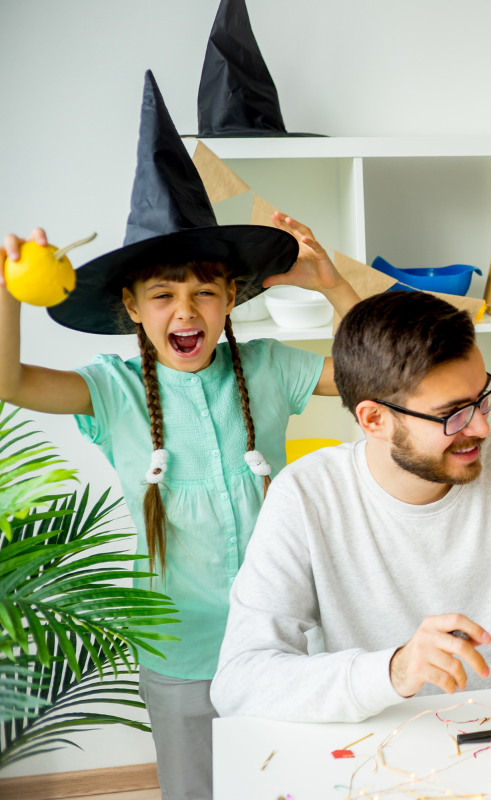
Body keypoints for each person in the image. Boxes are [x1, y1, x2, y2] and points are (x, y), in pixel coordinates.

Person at [0, 72, 360, 800]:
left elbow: (376, 373)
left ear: (233, 298)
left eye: (204, 291)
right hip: (178, 648)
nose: (185, 309)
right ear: (132, 306)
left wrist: (331, 285)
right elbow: (10, 381)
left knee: (292, 783)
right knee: (195, 789)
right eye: (163, 294)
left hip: (285, 635)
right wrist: (8, 293)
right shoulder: (113, 389)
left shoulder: (266, 368)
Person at [209, 290, 491, 723]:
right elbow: (239, 681)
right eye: (454, 414)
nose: (484, 428)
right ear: (375, 419)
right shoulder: (307, 494)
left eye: (483, 397)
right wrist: (395, 670)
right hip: (376, 751)